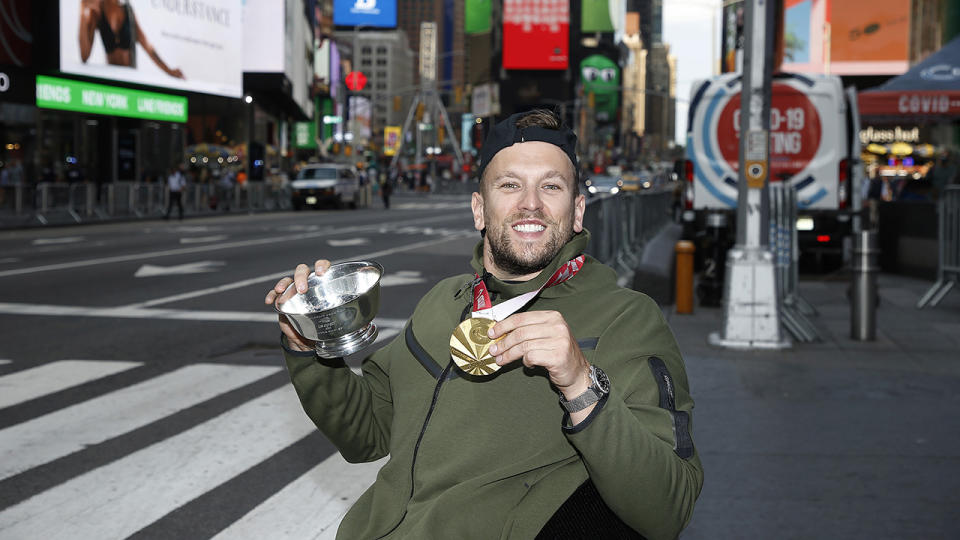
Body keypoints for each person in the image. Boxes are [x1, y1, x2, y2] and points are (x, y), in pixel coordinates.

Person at [264, 109, 703, 539]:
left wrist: (581, 385)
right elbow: (367, 434)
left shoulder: (625, 318)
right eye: (510, 185)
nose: (530, 203)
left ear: (577, 211)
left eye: (551, 186)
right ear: (479, 209)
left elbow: (668, 510)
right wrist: (309, 345)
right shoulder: (442, 301)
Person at [78, 0, 185, 79]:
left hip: (130, 79)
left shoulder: (128, 11)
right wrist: (82, 12)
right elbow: (84, 56)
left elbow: (147, 46)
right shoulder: (97, 13)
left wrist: (169, 71)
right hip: (110, 79)